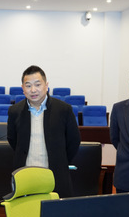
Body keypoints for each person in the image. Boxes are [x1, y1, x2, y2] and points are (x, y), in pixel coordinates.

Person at [7, 65, 80, 197]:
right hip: (25, 174)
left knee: (55, 208)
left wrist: (59, 159)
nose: (33, 90)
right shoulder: (15, 111)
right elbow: (13, 140)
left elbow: (74, 141)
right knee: (27, 208)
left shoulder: (63, 110)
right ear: (23, 88)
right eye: (28, 85)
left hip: (55, 174)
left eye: (37, 84)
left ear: (46, 85)